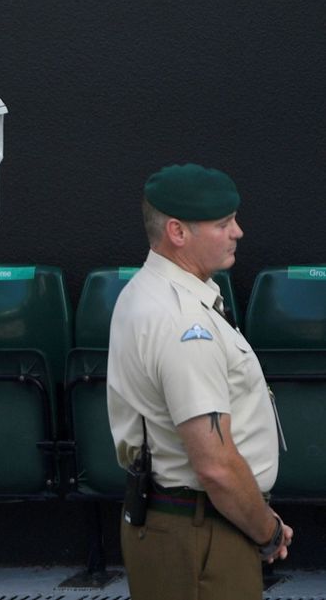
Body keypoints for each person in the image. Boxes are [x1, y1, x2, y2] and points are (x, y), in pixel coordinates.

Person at [107, 162, 292, 600]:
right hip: (201, 535)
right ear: (177, 232)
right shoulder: (185, 322)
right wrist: (266, 531)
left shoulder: (144, 291)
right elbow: (214, 465)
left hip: (178, 523)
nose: (238, 232)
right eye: (224, 223)